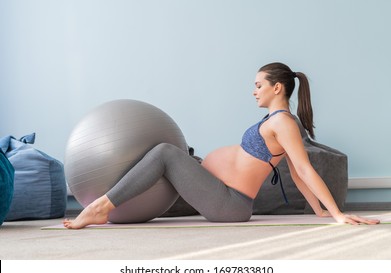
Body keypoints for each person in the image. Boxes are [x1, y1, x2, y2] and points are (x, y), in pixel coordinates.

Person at [63, 62, 380, 229]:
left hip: (231, 203)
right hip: (222, 193)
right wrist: (319, 211)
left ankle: (99, 208)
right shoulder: (277, 121)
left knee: (164, 153)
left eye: (259, 85)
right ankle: (107, 205)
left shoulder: (284, 122)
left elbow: (303, 168)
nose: (254, 91)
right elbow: (296, 174)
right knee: (171, 158)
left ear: (277, 87)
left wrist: (336, 213)